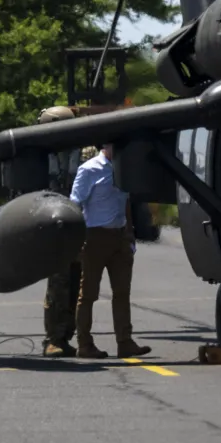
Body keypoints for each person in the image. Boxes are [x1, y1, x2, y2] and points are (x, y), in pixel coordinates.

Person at [70, 142, 151, 359]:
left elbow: (126, 202)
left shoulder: (124, 169)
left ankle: (124, 341)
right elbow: (75, 204)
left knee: (122, 293)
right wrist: (76, 240)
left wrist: (130, 235)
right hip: (94, 236)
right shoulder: (89, 169)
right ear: (105, 144)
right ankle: (84, 344)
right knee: (88, 294)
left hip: (120, 237)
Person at [37, 106, 84, 357]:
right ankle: (53, 338)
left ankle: (66, 337)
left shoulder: (84, 154)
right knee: (58, 285)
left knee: (76, 284)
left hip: (78, 226)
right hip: (53, 229)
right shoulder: (39, 157)